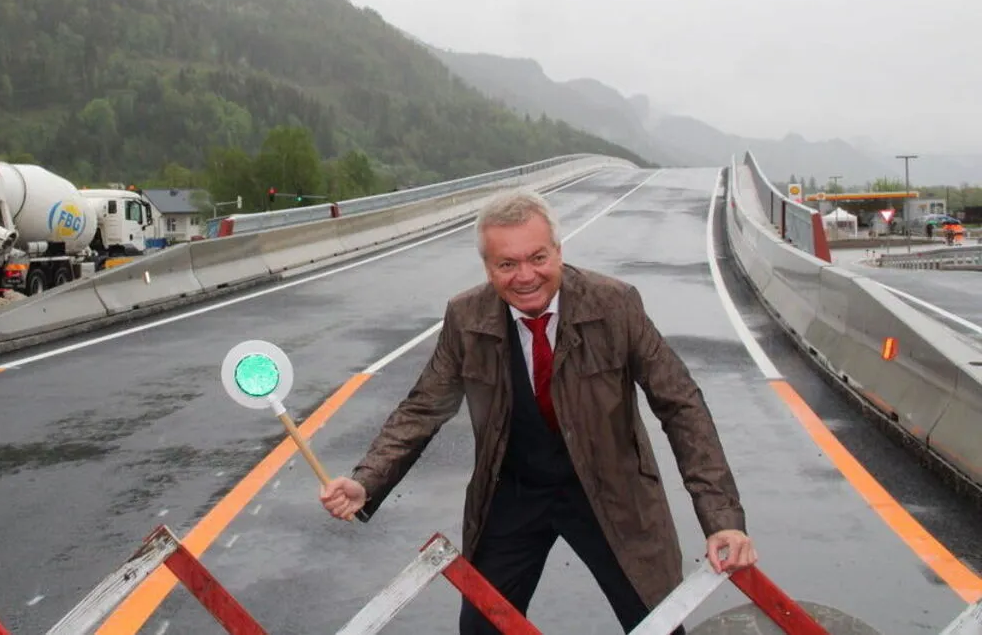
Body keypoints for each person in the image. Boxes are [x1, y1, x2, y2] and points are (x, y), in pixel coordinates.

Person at [319, 189, 757, 633]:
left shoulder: (614, 305)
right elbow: (423, 408)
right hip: (513, 492)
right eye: (506, 264)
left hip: (613, 492)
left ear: (559, 252)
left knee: (656, 623)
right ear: (488, 267)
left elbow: (681, 404)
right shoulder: (465, 318)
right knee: (482, 627)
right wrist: (365, 480)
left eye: (538, 258)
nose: (525, 276)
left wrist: (722, 519)